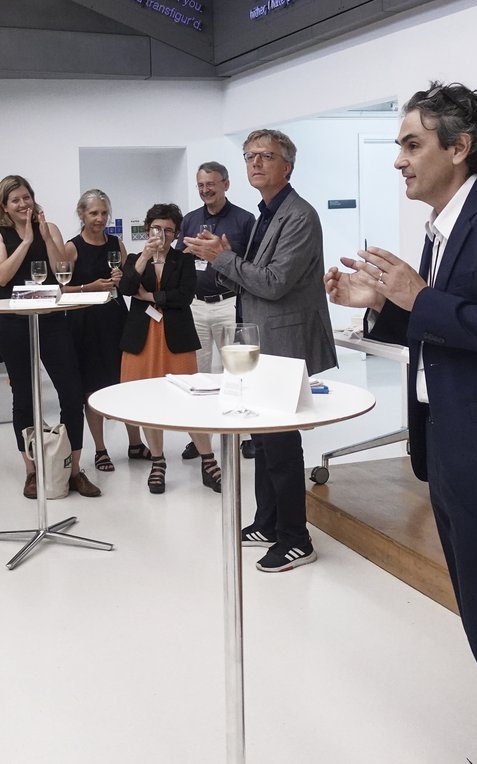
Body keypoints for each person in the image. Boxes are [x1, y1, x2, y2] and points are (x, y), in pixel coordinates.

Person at [324, 82, 477, 764]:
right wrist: (381, 306)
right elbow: (453, 326)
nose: (398, 160)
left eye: (411, 143)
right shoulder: (446, 226)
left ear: (459, 149)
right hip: (456, 452)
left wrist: (418, 296)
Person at [184, 129, 337, 572]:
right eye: (250, 156)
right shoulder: (267, 212)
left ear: (287, 166)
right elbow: (250, 276)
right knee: (263, 440)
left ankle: (296, 537)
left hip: (284, 341)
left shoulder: (299, 216)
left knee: (282, 445)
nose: (255, 163)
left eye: (265, 156)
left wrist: (223, 259)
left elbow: (274, 282)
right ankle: (268, 521)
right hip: (259, 339)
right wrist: (224, 258)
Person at [0, 175, 100, 499]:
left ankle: (72, 468)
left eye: (27, 198)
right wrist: (24, 240)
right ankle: (33, 471)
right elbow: (2, 274)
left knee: (71, 391)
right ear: (4, 206)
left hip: (51, 320)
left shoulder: (49, 229)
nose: (23, 204)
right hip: (13, 322)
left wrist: (44, 233)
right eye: (16, 200)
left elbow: (62, 271)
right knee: (24, 395)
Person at [118, 203, 220, 495]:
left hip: (176, 337)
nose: (161, 235)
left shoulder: (183, 260)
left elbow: (185, 296)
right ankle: (158, 460)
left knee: (191, 399)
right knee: (148, 401)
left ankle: (208, 460)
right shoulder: (137, 258)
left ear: (176, 234)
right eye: (156, 228)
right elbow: (125, 288)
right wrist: (145, 259)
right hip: (142, 338)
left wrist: (149, 295)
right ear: (147, 229)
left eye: (168, 230)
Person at [62, 189, 149, 471]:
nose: (100, 218)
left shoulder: (116, 243)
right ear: (81, 215)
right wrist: (90, 287)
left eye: (103, 213)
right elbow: (60, 289)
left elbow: (128, 284)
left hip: (114, 318)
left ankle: (135, 443)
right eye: (94, 213)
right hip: (84, 322)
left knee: (125, 381)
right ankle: (100, 449)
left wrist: (122, 278)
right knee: (92, 387)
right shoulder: (72, 247)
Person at [175, 161, 255, 461]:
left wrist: (223, 252)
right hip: (195, 305)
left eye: (211, 184)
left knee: (234, 373)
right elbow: (181, 258)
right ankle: (200, 439)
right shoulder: (190, 219)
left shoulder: (245, 220)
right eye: (200, 185)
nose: (205, 190)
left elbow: (250, 264)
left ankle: (244, 435)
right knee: (198, 374)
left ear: (226, 184)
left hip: (228, 302)